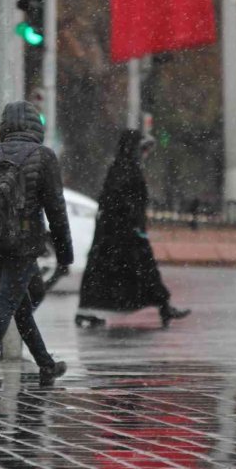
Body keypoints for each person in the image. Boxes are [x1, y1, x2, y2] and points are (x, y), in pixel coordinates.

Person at [0, 101, 72, 387]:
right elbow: (56, 209)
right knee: (9, 301)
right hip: (23, 241)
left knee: (19, 304)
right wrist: (64, 253)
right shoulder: (43, 156)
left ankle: (46, 364)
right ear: (36, 126)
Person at [75, 129, 190, 328]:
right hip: (121, 233)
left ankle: (163, 305)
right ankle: (163, 306)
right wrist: (132, 224)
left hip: (119, 233)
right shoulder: (125, 170)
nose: (145, 154)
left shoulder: (124, 168)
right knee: (139, 269)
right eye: (142, 149)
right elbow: (120, 201)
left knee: (116, 271)